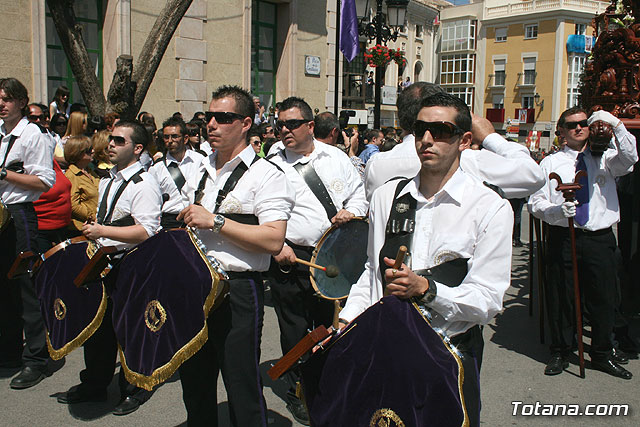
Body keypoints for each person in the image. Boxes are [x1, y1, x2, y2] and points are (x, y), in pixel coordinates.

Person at [340, 93, 514, 427]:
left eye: (441, 130)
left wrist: (427, 289)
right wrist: (347, 324)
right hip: (385, 346)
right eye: (421, 129)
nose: (427, 139)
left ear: (465, 140)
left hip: (447, 354)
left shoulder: (489, 208)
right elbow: (372, 274)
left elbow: (487, 301)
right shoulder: (386, 197)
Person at [176, 85, 295, 426]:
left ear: (245, 123)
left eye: (223, 118)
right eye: (209, 116)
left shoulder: (267, 174)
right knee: (195, 382)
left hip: (238, 290)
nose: (211, 124)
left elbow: (273, 240)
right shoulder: (199, 170)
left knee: (241, 382)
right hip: (195, 287)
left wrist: (215, 220)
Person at [266, 96, 367, 425]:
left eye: (292, 124)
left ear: (310, 126)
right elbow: (257, 210)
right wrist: (276, 245)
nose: (284, 130)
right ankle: (298, 389)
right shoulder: (271, 162)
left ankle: (326, 382)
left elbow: (359, 194)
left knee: (329, 325)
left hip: (333, 255)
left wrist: (351, 211)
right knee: (293, 327)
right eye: (280, 124)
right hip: (290, 255)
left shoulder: (337, 158)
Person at [56, 120, 162, 416]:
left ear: (137, 148)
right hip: (102, 262)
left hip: (129, 266)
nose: (111, 145)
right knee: (98, 329)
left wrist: (102, 230)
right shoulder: (109, 178)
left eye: (119, 141)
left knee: (129, 330)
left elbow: (146, 231)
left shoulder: (144, 184)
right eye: (111, 140)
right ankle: (95, 383)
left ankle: (136, 387)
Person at [528, 108, 638, 380]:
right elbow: (536, 202)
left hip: (598, 238)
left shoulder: (607, 159)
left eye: (583, 124)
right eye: (572, 125)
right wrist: (555, 212)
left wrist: (615, 123)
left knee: (603, 297)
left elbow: (631, 157)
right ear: (562, 131)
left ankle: (602, 352)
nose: (579, 128)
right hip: (564, 237)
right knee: (561, 296)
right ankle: (562, 350)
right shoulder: (550, 163)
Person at [363, 82, 545, 201]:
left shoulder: (376, 164)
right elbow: (533, 175)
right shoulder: (466, 159)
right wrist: (490, 137)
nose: (426, 141)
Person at [0, 78, 55, 388]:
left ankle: (36, 358)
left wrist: (5, 174)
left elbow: (44, 182)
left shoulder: (32, 135)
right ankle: (8, 349)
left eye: (8, 99)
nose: (2, 104)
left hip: (19, 215)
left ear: (21, 102)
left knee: (26, 287)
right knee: (2, 287)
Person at [149, 116, 204, 229]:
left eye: (174, 136)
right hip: (169, 223)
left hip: (197, 219)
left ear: (185, 139)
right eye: (166, 137)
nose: (170, 141)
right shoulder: (157, 168)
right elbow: (153, 203)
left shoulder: (201, 161)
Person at [64, 135, 99, 234]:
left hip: (97, 226)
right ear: (77, 154)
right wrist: (93, 216)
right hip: (81, 230)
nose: (92, 151)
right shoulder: (71, 176)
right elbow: (73, 205)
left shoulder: (91, 172)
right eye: (88, 150)